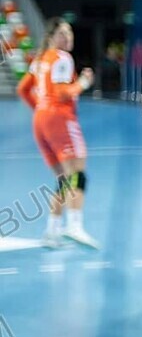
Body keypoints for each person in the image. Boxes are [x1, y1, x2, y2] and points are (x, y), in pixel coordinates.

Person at [16, 18, 97, 248]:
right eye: (62, 33)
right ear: (51, 37)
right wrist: (83, 83)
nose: (68, 37)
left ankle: (51, 231)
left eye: (69, 32)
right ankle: (74, 225)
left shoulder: (40, 59)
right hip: (60, 118)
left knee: (63, 177)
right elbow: (62, 94)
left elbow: (22, 89)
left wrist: (41, 109)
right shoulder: (62, 58)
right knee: (78, 173)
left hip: (40, 121)